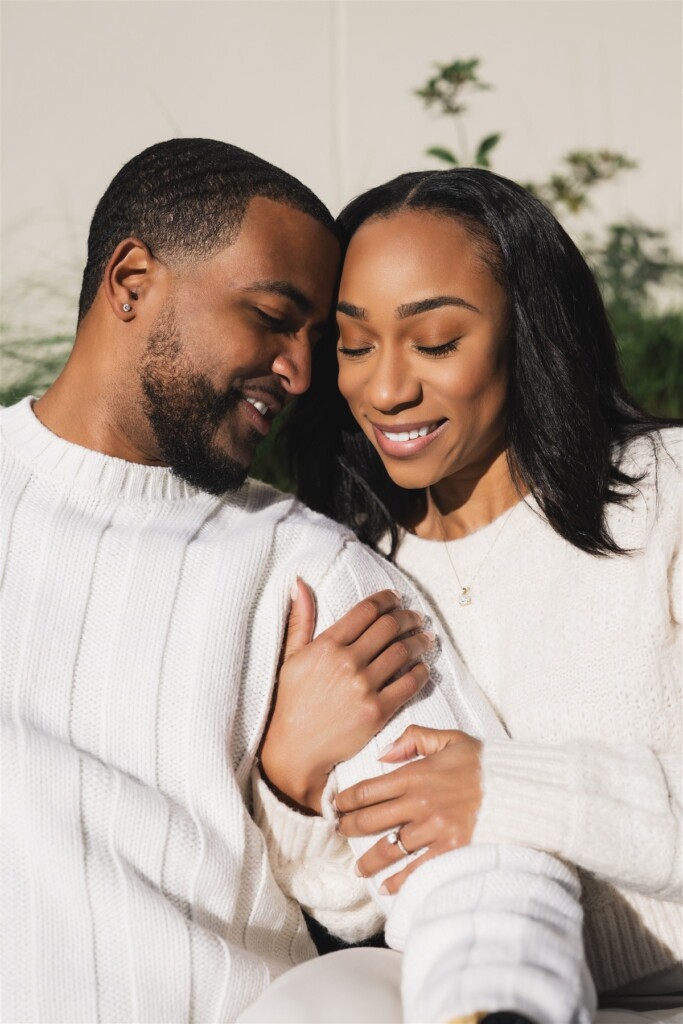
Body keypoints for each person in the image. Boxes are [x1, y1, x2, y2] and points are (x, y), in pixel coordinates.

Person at [0, 140, 593, 1024]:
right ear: (130, 281)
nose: (303, 371)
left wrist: (496, 1004)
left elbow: (471, 856)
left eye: (319, 340)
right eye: (274, 317)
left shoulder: (303, 569)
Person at [258, 167, 683, 1022]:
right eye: (353, 344)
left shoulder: (665, 493)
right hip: (460, 992)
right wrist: (293, 785)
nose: (385, 390)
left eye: (436, 340)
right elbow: (354, 904)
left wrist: (505, 787)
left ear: (529, 333)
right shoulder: (345, 561)